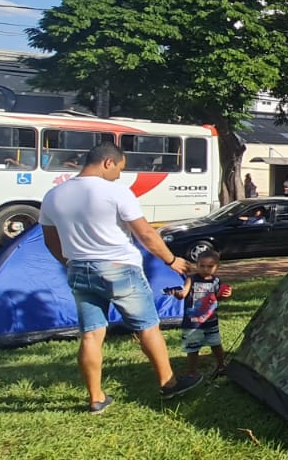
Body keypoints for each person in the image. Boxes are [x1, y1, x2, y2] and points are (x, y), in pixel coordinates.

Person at [40, 142, 199, 414]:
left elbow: (50, 240)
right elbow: (146, 234)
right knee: (148, 326)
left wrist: (70, 263)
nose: (119, 175)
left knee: (91, 334)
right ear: (107, 163)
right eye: (120, 169)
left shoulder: (54, 195)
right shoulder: (115, 192)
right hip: (119, 268)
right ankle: (168, 383)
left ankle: (96, 398)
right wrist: (172, 261)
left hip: (79, 269)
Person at [166, 250, 232, 379]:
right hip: (193, 322)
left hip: (211, 320)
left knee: (216, 344)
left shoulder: (217, 281)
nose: (205, 269)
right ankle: (192, 370)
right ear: (197, 265)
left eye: (210, 266)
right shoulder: (191, 279)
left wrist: (225, 295)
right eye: (202, 265)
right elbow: (183, 294)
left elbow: (218, 298)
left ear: (217, 267)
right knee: (193, 347)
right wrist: (177, 293)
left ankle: (221, 364)